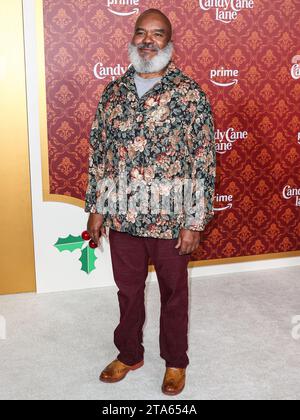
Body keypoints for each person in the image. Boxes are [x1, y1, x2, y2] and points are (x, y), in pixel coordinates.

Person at [85, 8, 216, 396]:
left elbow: (203, 160)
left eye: (157, 34)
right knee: (127, 290)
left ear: (169, 42)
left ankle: (175, 361)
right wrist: (95, 206)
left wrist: (194, 221)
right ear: (132, 38)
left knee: (174, 294)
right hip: (123, 215)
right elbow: (100, 153)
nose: (148, 40)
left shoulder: (189, 94)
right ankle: (129, 354)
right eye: (141, 32)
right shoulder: (114, 92)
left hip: (171, 218)